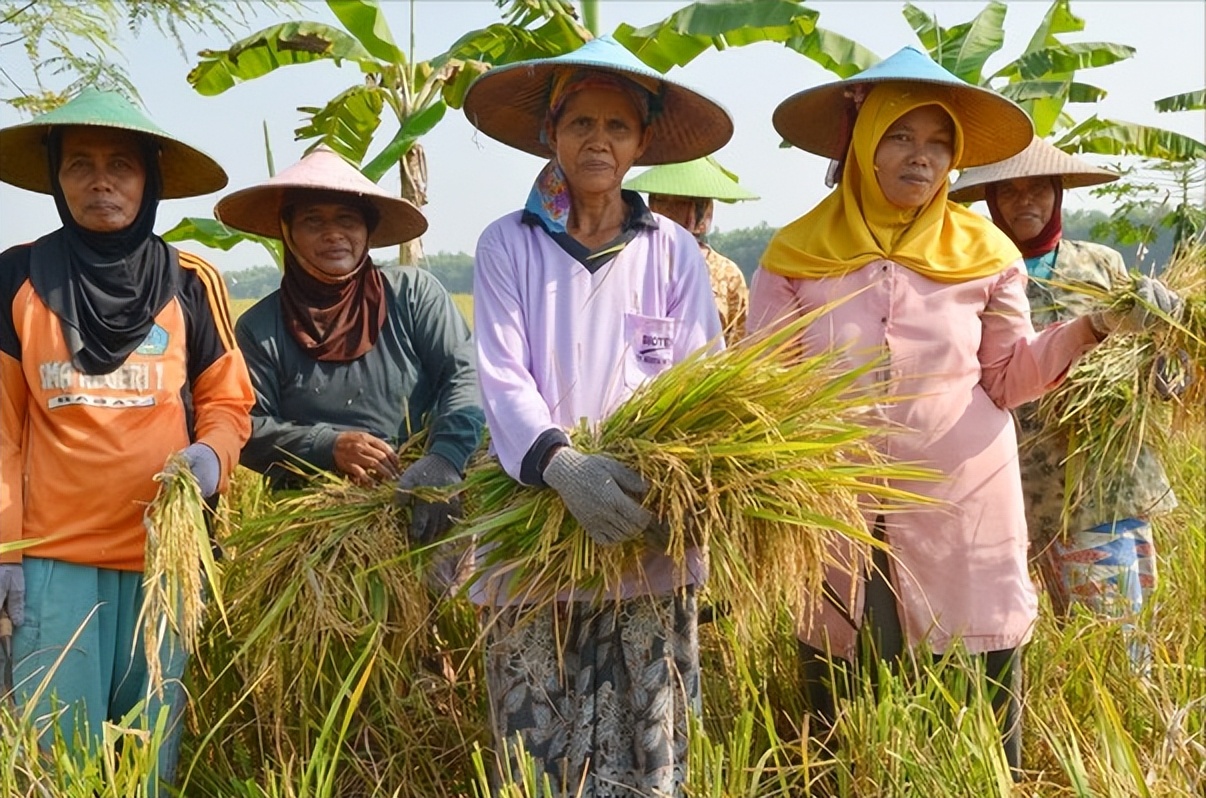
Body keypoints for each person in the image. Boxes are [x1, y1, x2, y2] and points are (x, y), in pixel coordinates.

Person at [746, 46, 1179, 773]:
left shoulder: (984, 252)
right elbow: (766, 386)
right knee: (841, 703)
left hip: (963, 504)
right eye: (901, 136)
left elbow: (1007, 379)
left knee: (974, 702)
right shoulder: (796, 255)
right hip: (837, 510)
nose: (923, 155)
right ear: (864, 145)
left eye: (939, 140)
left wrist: (1091, 329)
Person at [462, 35, 730, 796]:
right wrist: (562, 464)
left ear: (643, 142)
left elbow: (703, 379)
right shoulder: (508, 244)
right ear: (551, 133)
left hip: (645, 527)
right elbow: (502, 374)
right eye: (580, 123)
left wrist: (661, 476)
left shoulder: (673, 250)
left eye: (617, 127)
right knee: (538, 745)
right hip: (533, 523)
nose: (598, 142)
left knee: (648, 743)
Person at [0, 88, 253, 793]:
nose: (101, 181)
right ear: (55, 177)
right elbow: (0, 430)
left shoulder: (192, 281)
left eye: (121, 165)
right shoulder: (16, 278)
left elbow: (227, 402)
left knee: (146, 759)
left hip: (161, 564)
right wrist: (3, 554)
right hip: (51, 569)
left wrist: (210, 456)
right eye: (79, 164)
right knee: (58, 765)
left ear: (151, 181)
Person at [949, 137, 1180, 663]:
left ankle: (1124, 743)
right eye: (1009, 192)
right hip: (1009, 491)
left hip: (1102, 488)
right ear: (992, 203)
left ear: (1057, 195)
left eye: (1037, 190)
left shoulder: (1102, 267)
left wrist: (1166, 360)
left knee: (1115, 650)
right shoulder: (975, 280)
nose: (1024, 202)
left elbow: (1151, 358)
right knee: (1010, 648)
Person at [216, 146, 483, 546]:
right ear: (288, 232)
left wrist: (443, 460)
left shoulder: (413, 295)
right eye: (313, 221)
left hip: (424, 504)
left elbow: (466, 376)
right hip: (313, 527)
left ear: (368, 231)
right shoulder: (260, 328)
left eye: (348, 220)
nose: (334, 234)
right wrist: (329, 446)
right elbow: (246, 427)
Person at [624, 155, 759, 343]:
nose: (669, 209)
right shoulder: (633, 258)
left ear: (702, 209)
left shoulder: (727, 274)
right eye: (661, 200)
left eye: (681, 202)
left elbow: (739, 342)